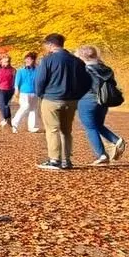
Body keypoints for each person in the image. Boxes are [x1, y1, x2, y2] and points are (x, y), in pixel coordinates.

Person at [34, 33, 92, 171]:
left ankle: (55, 160)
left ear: (50, 45)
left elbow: (40, 80)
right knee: (66, 131)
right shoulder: (76, 61)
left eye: (46, 44)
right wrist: (78, 95)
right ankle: (67, 160)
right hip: (71, 100)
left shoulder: (47, 60)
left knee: (52, 129)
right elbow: (88, 81)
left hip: (51, 99)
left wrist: (40, 94)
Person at [75, 45, 126, 166]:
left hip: (87, 99)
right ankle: (117, 141)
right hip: (104, 100)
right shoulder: (105, 68)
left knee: (90, 127)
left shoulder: (83, 69)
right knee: (97, 124)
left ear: (82, 56)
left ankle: (101, 155)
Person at [11, 52, 41, 134]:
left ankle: (32, 127)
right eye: (26, 59)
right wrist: (16, 90)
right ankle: (14, 123)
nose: (27, 61)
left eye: (30, 59)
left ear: (33, 60)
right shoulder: (21, 71)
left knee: (33, 109)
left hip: (34, 92)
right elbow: (17, 81)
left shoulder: (37, 70)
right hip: (24, 92)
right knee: (25, 106)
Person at [0, 54, 17, 128]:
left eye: (8, 62)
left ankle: (8, 119)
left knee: (6, 105)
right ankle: (6, 118)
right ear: (1, 62)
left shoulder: (13, 70)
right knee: (2, 104)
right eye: (5, 62)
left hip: (10, 89)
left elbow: (15, 80)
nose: (7, 63)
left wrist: (15, 89)